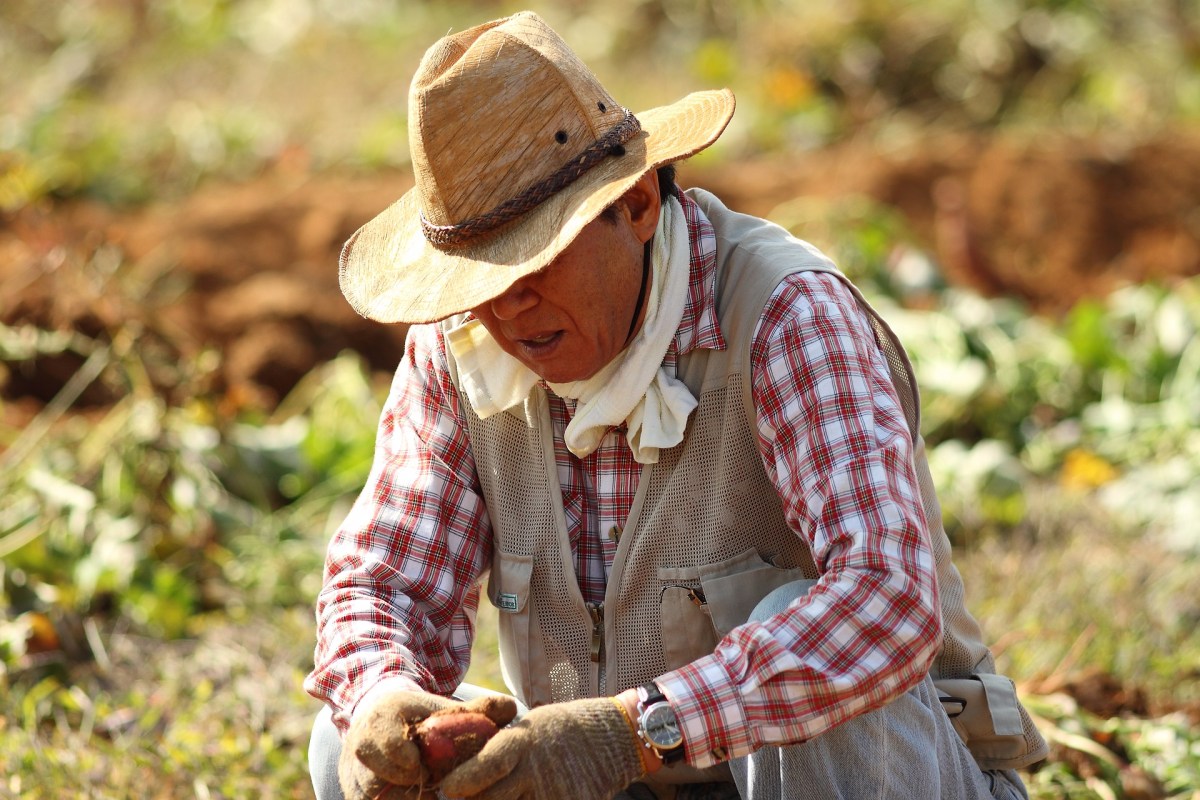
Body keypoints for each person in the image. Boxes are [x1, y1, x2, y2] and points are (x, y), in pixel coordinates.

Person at [304, 11, 1047, 800]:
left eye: (536, 260)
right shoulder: (460, 351)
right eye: (480, 280)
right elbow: (386, 584)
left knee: (818, 639)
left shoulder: (784, 317)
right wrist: (384, 694)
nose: (509, 308)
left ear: (637, 207)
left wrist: (637, 729)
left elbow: (886, 598)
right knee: (352, 740)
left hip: (864, 776)